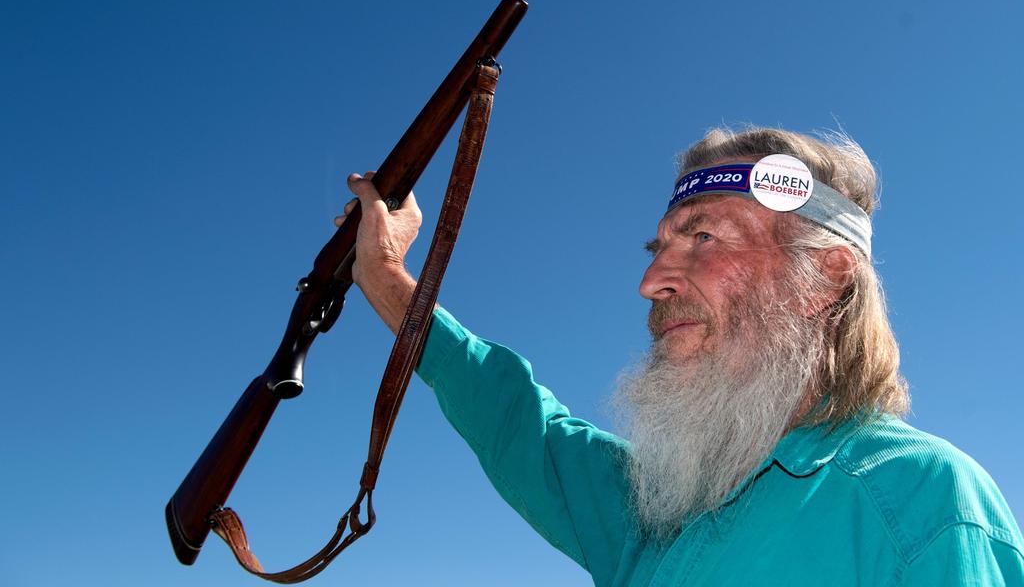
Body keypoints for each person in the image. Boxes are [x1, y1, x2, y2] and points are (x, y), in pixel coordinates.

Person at [337, 126, 1024, 586]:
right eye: (656, 248)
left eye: (703, 238)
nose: (651, 281)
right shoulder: (654, 515)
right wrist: (389, 282)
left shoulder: (920, 501)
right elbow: (521, 426)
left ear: (826, 278)